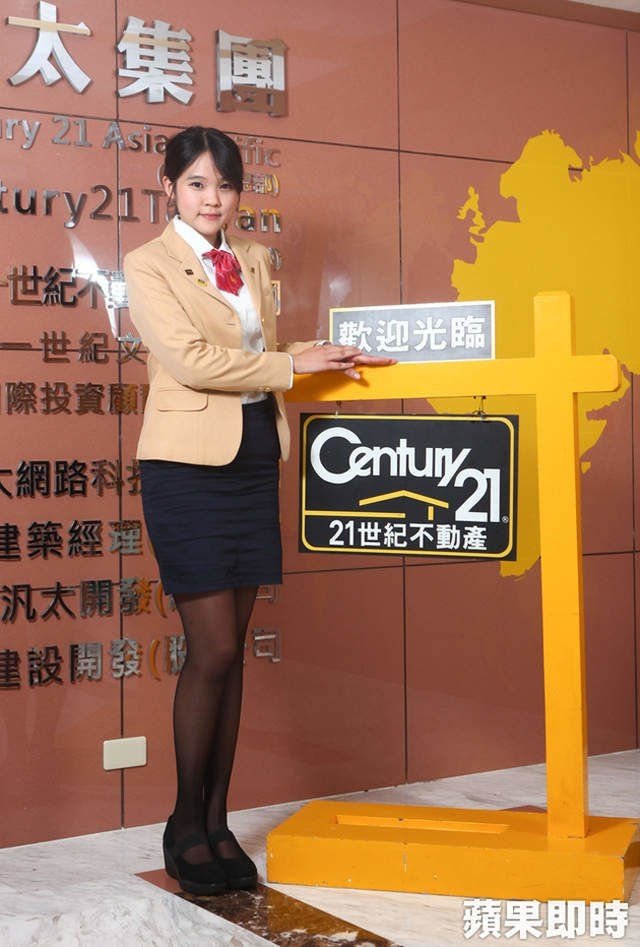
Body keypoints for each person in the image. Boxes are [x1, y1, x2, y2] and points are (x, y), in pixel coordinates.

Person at [123, 126, 395, 897]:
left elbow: (261, 351)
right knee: (209, 648)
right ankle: (184, 824)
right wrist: (288, 362)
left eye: (225, 184)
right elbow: (190, 360)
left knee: (233, 650)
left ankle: (218, 821)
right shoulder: (147, 264)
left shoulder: (252, 259)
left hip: (249, 457)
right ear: (169, 186)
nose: (213, 198)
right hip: (185, 466)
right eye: (197, 183)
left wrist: (324, 353)